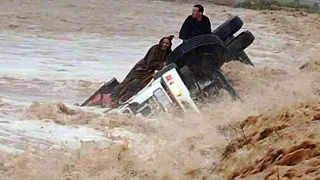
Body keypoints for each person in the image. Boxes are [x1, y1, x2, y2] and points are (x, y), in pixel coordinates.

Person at [110, 35, 174, 106]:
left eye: (166, 43)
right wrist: (162, 64)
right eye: (163, 43)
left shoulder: (168, 52)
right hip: (141, 69)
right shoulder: (155, 49)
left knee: (137, 86)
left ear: (169, 45)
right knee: (128, 82)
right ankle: (114, 98)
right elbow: (150, 62)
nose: (164, 45)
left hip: (150, 73)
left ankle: (125, 100)